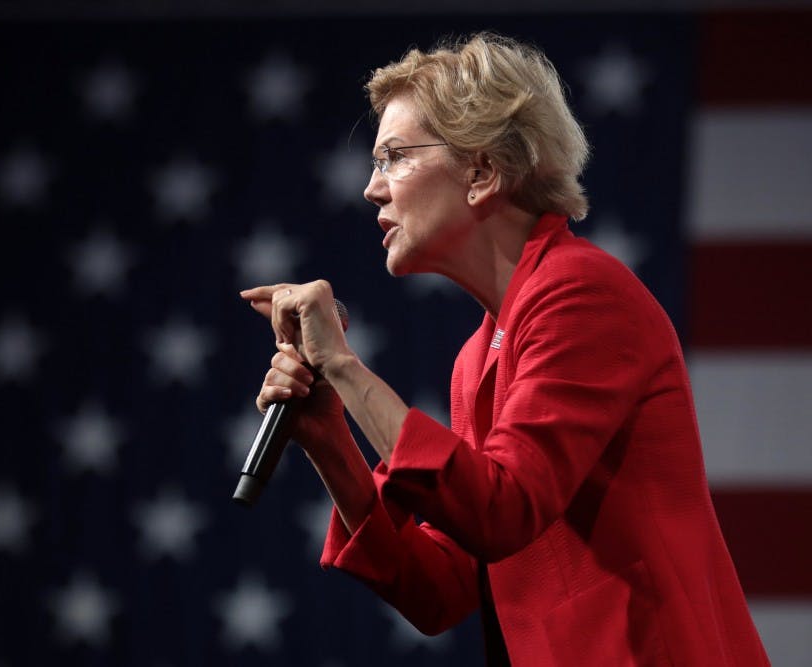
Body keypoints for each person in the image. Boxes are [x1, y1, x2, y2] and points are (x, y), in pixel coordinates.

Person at [239, 32, 768, 666]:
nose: (371, 190)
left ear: (484, 171)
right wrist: (330, 437)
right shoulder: (478, 355)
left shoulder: (580, 292)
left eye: (393, 157)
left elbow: (503, 509)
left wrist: (347, 370)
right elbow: (439, 590)